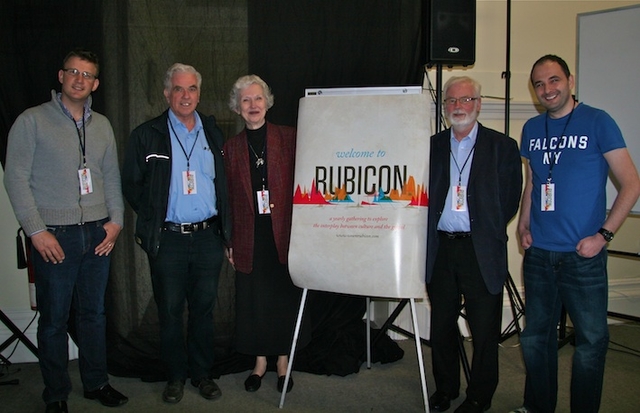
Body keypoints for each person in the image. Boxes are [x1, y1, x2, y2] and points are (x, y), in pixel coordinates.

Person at [512, 55, 640, 413]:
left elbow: (631, 184)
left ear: (570, 79)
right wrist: (524, 224)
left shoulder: (599, 121)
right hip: (539, 254)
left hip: (583, 257)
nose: (547, 90)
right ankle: (539, 407)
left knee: (591, 342)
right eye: (539, 84)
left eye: (553, 80)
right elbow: (534, 182)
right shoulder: (532, 129)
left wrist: (604, 235)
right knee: (536, 338)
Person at [3, 49, 128, 413]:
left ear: (96, 83)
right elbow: (16, 179)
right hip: (54, 235)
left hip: (97, 234)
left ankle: (96, 383)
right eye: (73, 71)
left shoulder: (102, 125)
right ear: (61, 76)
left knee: (94, 315)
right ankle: (56, 393)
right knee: (54, 320)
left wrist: (116, 222)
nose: (79, 79)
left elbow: (111, 178)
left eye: (87, 74)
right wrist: (36, 231)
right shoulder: (31, 121)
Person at [121, 63, 231, 404]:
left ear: (199, 93)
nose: (186, 96)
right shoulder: (146, 134)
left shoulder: (213, 134)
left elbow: (223, 185)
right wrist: (156, 217)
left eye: (192, 89)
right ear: (167, 94)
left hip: (207, 238)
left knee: (203, 310)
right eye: (179, 89)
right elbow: (132, 185)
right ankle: (175, 376)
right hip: (168, 239)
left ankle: (202, 374)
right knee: (169, 311)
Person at [426, 76, 522, 413]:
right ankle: (445, 389)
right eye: (451, 101)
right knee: (441, 328)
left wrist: (486, 230)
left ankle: (479, 396)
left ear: (478, 104)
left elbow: (510, 200)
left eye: (465, 100)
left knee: (484, 332)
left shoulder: (503, 146)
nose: (458, 107)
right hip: (440, 249)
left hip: (480, 250)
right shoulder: (432, 145)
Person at [224, 75, 307, 394]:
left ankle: (283, 364)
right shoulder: (230, 148)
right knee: (254, 302)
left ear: (267, 102)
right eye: (245, 100)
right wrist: (228, 240)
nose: (253, 105)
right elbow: (226, 198)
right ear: (237, 108)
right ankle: (259, 364)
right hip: (249, 237)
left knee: (282, 298)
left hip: (284, 234)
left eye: (257, 99)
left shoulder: (290, 138)